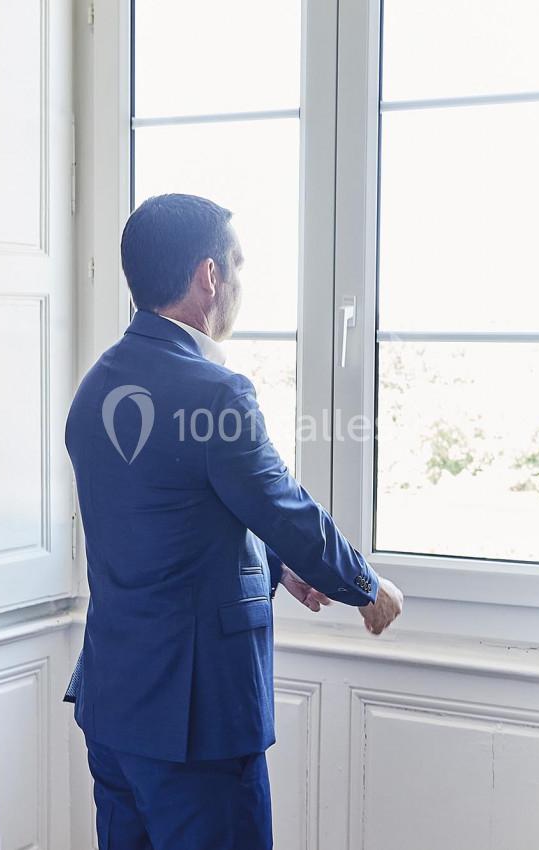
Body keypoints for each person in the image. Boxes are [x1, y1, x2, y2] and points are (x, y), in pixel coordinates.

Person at [62, 193, 404, 849]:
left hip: (115, 705)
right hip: (197, 721)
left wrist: (276, 564)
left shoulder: (96, 386)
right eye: (238, 264)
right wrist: (366, 586)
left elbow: (169, 517)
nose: (242, 282)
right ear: (208, 276)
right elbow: (281, 503)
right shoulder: (214, 392)